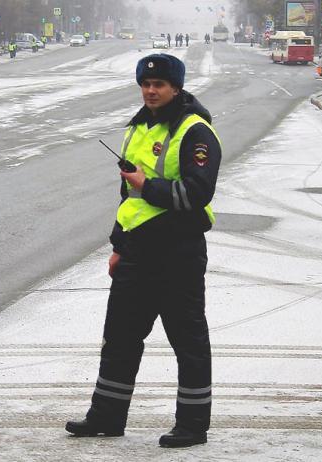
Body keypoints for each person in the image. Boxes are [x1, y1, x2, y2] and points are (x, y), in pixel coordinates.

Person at [65, 53, 222, 448]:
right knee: (119, 337)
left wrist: (145, 185)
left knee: (187, 341)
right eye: (146, 84)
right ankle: (106, 416)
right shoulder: (137, 128)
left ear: (176, 88)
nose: (151, 91)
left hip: (178, 251)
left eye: (160, 85)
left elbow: (198, 193)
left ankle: (192, 426)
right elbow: (127, 197)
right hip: (137, 251)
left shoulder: (195, 132)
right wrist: (118, 245)